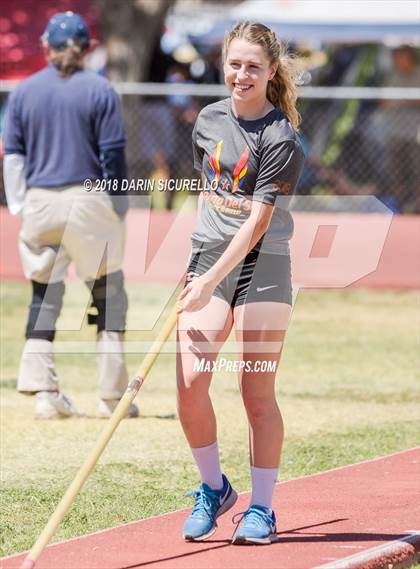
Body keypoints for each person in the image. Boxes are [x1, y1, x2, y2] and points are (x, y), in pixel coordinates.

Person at [176, 22, 305, 545]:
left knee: (255, 389)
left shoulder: (282, 138)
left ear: (272, 71)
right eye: (235, 63)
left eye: (253, 65)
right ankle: (214, 488)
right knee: (189, 383)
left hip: (264, 265)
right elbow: (210, 197)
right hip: (208, 262)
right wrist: (196, 267)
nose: (241, 74)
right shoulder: (207, 120)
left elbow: (256, 224)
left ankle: (262, 508)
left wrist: (210, 279)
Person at [3, 12, 138, 420]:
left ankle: (46, 393)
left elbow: (13, 157)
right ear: (88, 47)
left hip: (41, 199)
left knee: (45, 295)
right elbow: (112, 156)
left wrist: (20, 205)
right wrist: (118, 204)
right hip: (89, 198)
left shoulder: (24, 91)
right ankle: (111, 397)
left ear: (46, 46)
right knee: (108, 293)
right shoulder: (100, 90)